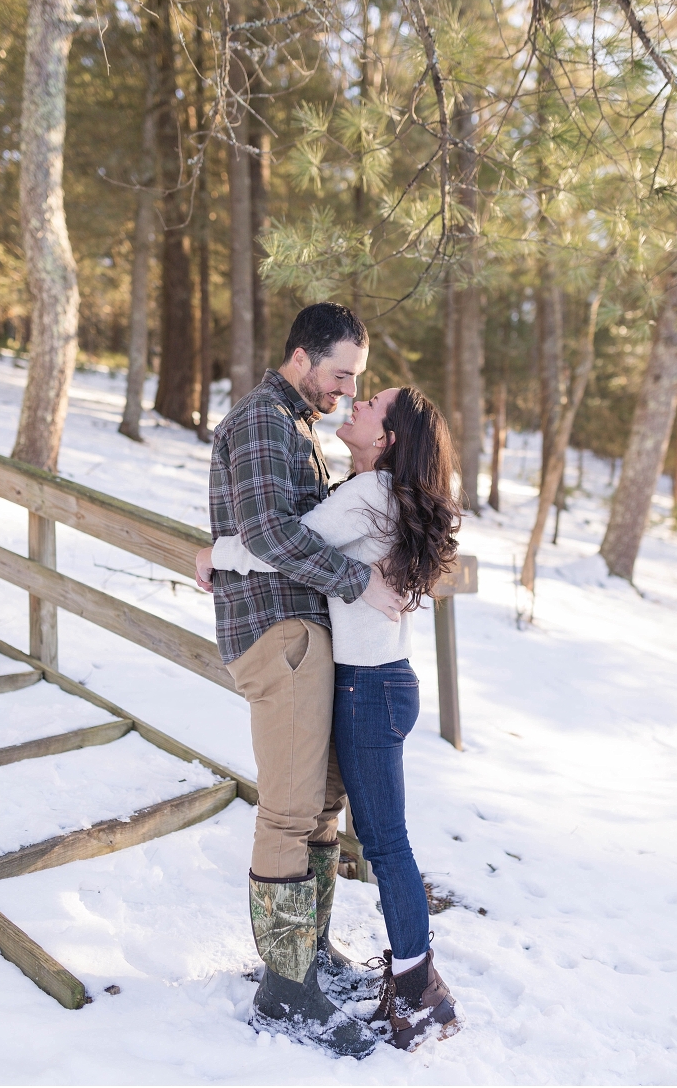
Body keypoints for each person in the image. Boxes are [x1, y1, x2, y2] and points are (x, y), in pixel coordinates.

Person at [209, 384, 464, 1052]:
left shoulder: (368, 495)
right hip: (381, 685)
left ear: (388, 439)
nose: (355, 402)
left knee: (384, 843)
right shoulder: (381, 493)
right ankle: (328, 964)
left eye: (370, 402)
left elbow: (281, 545)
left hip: (366, 689)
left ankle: (418, 993)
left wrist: (215, 556)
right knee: (358, 829)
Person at [195, 303, 404, 1060]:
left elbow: (284, 526)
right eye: (340, 372)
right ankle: (283, 988)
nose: (347, 389)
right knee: (288, 809)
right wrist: (358, 582)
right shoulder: (262, 420)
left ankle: (305, 954)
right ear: (300, 356)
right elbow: (269, 533)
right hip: (277, 632)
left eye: (357, 379)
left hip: (303, 630)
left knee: (320, 803)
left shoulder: (298, 429)